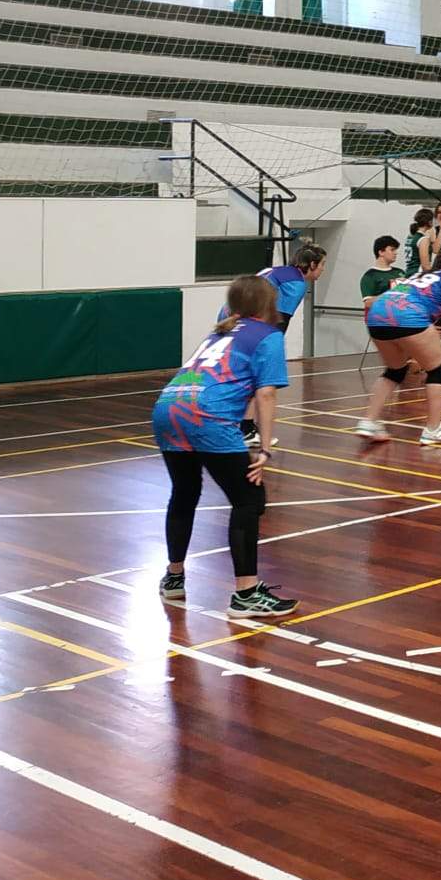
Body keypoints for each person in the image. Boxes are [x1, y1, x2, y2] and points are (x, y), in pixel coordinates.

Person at [154, 274, 300, 618]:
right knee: (249, 498)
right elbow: (266, 393)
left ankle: (174, 578)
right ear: (269, 304)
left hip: (168, 407)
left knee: (184, 492)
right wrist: (264, 448)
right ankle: (246, 593)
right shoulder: (268, 336)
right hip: (208, 414)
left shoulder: (218, 332)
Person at [356, 248, 441, 445]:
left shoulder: (420, 275)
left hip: (377, 315)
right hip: (408, 317)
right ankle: (433, 429)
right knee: (438, 369)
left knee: (394, 371)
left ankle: (369, 422)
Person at [231, 243, 326, 450]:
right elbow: (280, 320)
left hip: (231, 316)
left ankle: (239, 426)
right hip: (249, 321)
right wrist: (272, 347)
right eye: (322, 265)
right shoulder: (297, 283)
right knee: (259, 377)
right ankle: (245, 429)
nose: (323, 270)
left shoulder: (279, 271)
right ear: (311, 264)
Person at [359, 235, 404, 301]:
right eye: (392, 250)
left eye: (396, 250)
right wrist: (391, 293)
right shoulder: (370, 276)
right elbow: (368, 303)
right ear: (381, 252)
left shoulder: (400, 272)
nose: (396, 253)